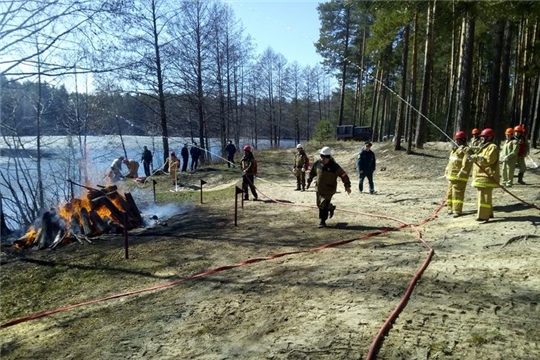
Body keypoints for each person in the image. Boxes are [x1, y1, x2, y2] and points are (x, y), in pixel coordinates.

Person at [306, 146, 351, 228]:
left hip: (329, 189)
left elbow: (343, 175)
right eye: (321, 157)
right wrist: (309, 181)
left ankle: (322, 221)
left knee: (323, 205)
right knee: (319, 204)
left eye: (324, 157)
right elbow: (312, 172)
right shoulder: (318, 164)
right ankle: (330, 207)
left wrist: (347, 185)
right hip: (319, 188)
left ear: (328, 157)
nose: (322, 159)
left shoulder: (334, 166)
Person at [470, 128, 500, 222]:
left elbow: (489, 160)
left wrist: (477, 158)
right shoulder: (484, 147)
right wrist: (473, 157)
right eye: (481, 137)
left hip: (487, 177)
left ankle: (483, 216)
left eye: (484, 137)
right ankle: (489, 213)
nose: (482, 139)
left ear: (490, 137)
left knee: (484, 197)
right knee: (484, 197)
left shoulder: (492, 147)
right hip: (481, 176)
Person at [445, 131, 473, 217]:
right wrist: (446, 171)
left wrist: (461, 174)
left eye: (457, 140)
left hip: (459, 178)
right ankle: (450, 208)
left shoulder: (466, 150)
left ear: (462, 140)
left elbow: (466, 165)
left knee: (457, 195)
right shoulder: (455, 150)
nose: (455, 142)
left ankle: (457, 211)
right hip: (451, 177)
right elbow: (450, 162)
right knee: (449, 194)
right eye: (455, 140)